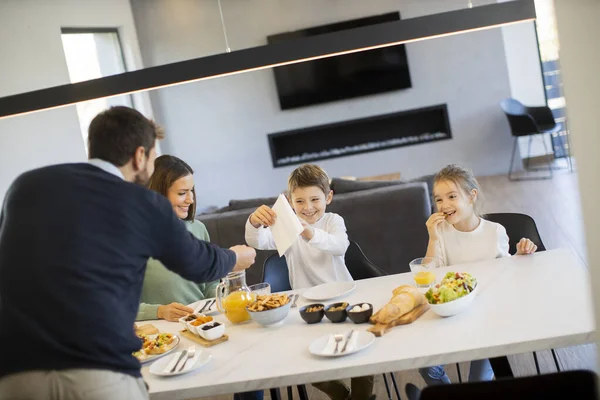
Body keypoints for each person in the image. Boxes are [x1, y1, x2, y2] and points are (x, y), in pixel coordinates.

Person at [0, 106, 256, 400]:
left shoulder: (25, 187)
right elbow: (198, 263)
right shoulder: (141, 202)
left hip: (15, 374)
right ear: (139, 155)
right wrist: (235, 257)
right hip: (97, 372)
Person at [406, 164, 537, 400]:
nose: (444, 205)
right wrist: (433, 238)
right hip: (450, 314)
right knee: (427, 367)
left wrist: (520, 255)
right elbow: (428, 275)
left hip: (487, 317)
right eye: (438, 199)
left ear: (471, 196)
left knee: (478, 382)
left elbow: (505, 272)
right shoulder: (442, 234)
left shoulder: (495, 231)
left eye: (452, 196)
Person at [245, 164, 374, 400]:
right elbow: (258, 241)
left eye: (315, 199)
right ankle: (342, 396)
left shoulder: (333, 221)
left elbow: (339, 245)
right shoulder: (287, 226)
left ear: (328, 197)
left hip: (344, 298)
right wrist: (254, 222)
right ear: (289, 201)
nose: (308, 208)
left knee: (360, 355)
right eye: (300, 201)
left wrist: (310, 234)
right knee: (302, 360)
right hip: (306, 305)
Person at [136, 154, 219, 322]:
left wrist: (221, 297)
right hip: (162, 334)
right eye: (182, 193)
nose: (191, 200)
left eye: (192, 191)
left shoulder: (198, 228)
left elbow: (210, 282)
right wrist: (160, 311)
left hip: (202, 322)